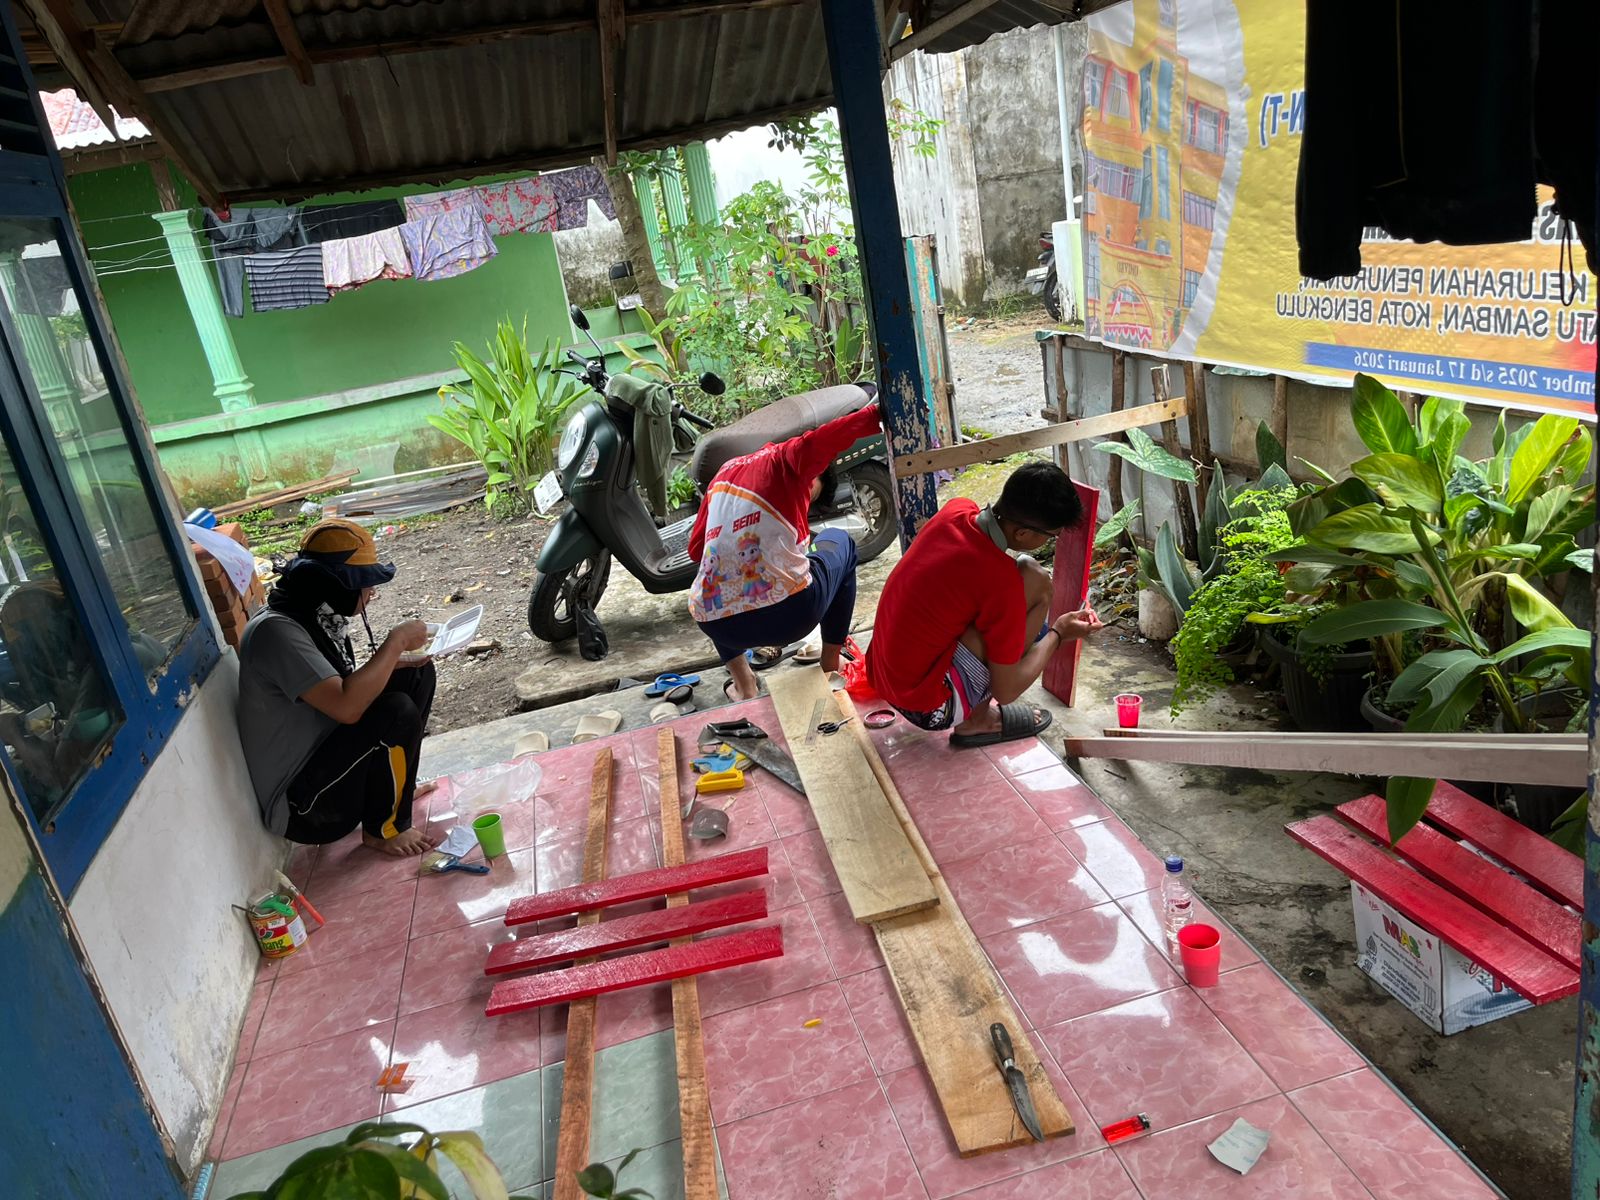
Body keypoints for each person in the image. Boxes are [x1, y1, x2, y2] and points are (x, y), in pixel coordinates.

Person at [237, 519, 440, 857]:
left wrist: (398, 661)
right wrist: (397, 641)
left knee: (415, 676)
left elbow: (344, 689)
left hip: (329, 764)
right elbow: (348, 707)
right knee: (395, 712)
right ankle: (383, 830)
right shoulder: (276, 633)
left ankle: (395, 792)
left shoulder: (313, 616)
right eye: (364, 584)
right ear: (337, 586)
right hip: (306, 808)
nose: (371, 592)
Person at [866, 461, 1103, 747]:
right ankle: (977, 721)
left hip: (883, 678)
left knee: (1026, 573)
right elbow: (1007, 691)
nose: (1052, 541)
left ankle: (974, 704)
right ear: (1022, 534)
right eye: (1052, 536)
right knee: (1037, 583)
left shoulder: (956, 510)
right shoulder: (1001, 582)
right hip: (928, 709)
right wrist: (1058, 634)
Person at [689, 401, 884, 701]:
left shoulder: (722, 476)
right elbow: (824, 439)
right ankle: (830, 666)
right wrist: (877, 414)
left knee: (712, 584)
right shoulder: (785, 458)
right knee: (839, 540)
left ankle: (744, 685)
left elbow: (696, 551)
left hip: (717, 627)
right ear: (811, 471)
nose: (805, 503)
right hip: (792, 616)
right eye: (811, 493)